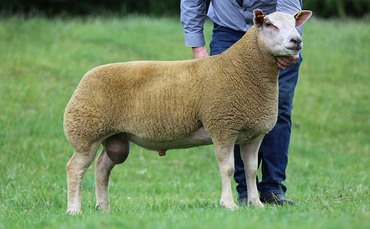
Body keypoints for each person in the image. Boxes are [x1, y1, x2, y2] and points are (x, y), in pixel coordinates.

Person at [180, 0, 305, 205]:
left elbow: (290, 8)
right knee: (231, 114)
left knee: (279, 106)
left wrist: (289, 44)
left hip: (275, 32)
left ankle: (273, 187)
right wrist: (197, 45)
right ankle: (246, 191)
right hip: (228, 31)